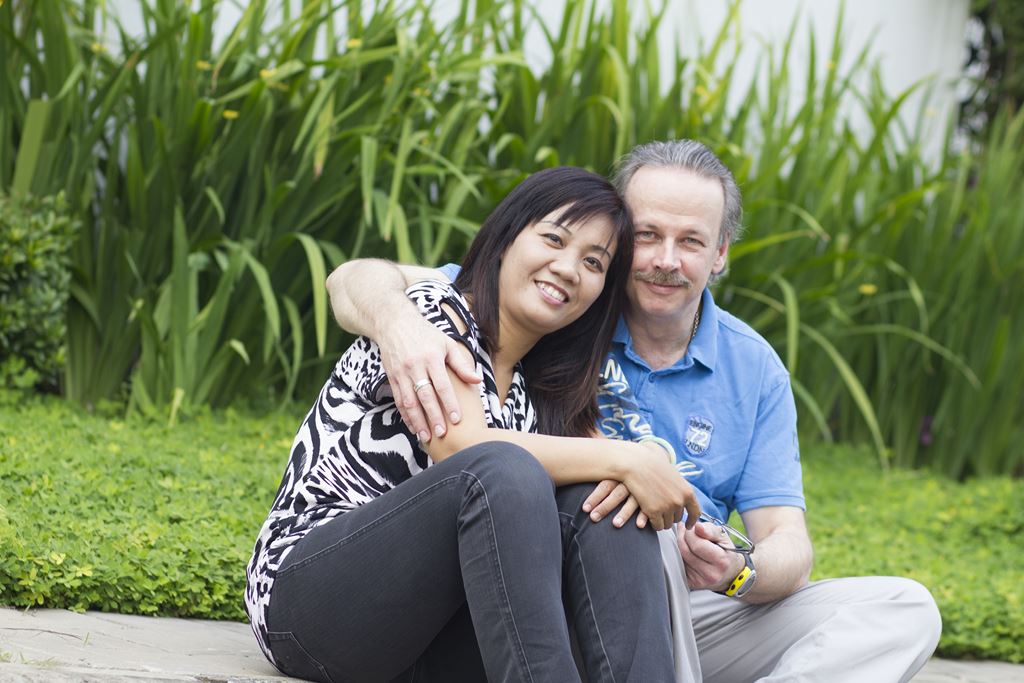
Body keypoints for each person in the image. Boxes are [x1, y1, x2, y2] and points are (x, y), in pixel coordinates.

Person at [326, 140, 944, 682]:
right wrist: (397, 323)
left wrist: (736, 570)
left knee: (904, 609)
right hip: (560, 596)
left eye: (691, 241)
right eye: (647, 235)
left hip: (695, 606)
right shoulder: (557, 303)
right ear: (619, 239)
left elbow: (789, 545)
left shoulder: (752, 367)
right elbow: (356, 278)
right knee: (632, 524)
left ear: (720, 253)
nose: (666, 260)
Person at [245, 166, 701, 683]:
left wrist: (634, 471)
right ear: (507, 238)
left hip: (432, 635)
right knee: (504, 469)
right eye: (554, 239)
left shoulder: (540, 391)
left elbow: (606, 482)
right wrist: (629, 456)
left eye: (593, 262)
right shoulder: (430, 316)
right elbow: (463, 446)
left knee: (607, 502)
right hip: (312, 606)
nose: (568, 268)